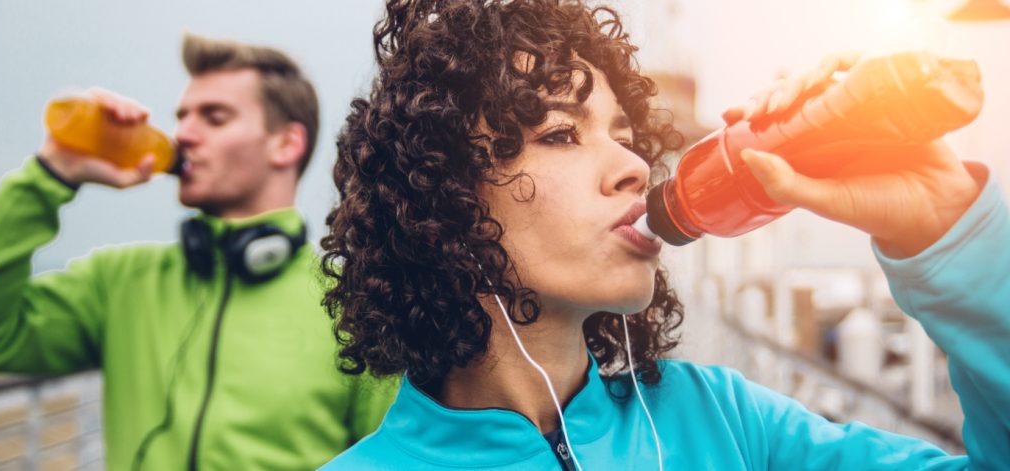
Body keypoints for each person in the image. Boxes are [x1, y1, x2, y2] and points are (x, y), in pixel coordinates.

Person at [318, 0, 1010, 469]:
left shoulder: (731, 425)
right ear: (440, 198)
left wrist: (954, 234)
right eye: (561, 133)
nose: (631, 165)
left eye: (625, 135)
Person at [0, 34, 396, 470]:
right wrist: (54, 171)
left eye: (214, 118)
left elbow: (391, 459)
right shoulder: (119, 279)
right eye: (181, 117)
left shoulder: (353, 305)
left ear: (286, 144)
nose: (183, 134)